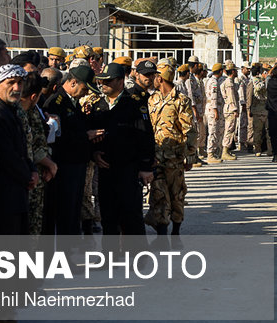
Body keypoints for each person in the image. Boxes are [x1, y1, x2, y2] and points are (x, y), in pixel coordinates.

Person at [89, 62, 154, 237]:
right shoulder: (98, 105)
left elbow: (146, 137)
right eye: (102, 81)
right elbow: (92, 136)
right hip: (105, 168)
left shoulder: (134, 105)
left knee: (131, 213)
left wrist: (146, 167)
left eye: (108, 81)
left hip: (128, 168)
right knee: (108, 214)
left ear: (120, 82)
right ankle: (109, 255)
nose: (103, 85)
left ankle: (137, 256)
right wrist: (94, 154)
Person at [42, 64, 98, 235]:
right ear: (73, 82)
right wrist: (85, 135)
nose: (86, 93)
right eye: (84, 88)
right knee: (65, 212)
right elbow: (57, 137)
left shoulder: (71, 102)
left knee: (73, 211)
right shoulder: (56, 103)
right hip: (65, 166)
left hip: (77, 164)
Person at [0, 65, 37, 235]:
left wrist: (33, 170)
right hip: (4, 195)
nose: (17, 88)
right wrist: (27, 175)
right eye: (11, 83)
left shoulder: (11, 110)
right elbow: (6, 154)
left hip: (17, 192)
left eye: (20, 83)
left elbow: (22, 149)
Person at [145, 64, 196, 236]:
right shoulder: (152, 99)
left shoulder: (181, 101)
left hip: (174, 158)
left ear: (160, 78)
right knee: (158, 194)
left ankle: (176, 231)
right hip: (155, 156)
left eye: (155, 76)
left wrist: (190, 156)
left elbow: (189, 130)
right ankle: (161, 234)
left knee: (176, 196)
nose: (152, 79)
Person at [205, 63, 225, 163]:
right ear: (220, 71)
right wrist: (216, 111)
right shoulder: (213, 82)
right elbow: (213, 98)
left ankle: (215, 152)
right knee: (212, 132)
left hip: (215, 109)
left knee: (217, 131)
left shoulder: (213, 80)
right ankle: (210, 154)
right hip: (213, 110)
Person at [250, 64, 271, 156]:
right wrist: (265, 79)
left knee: (268, 131)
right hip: (258, 109)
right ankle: (257, 149)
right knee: (257, 131)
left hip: (266, 108)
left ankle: (270, 149)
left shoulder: (263, 80)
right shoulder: (255, 81)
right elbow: (258, 88)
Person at [221, 61, 240, 160]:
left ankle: (227, 150)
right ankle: (225, 151)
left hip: (229, 108)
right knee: (229, 129)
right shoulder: (229, 82)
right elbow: (231, 97)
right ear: (232, 71)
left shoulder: (230, 81)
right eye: (235, 71)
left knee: (230, 129)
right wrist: (235, 109)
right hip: (230, 109)